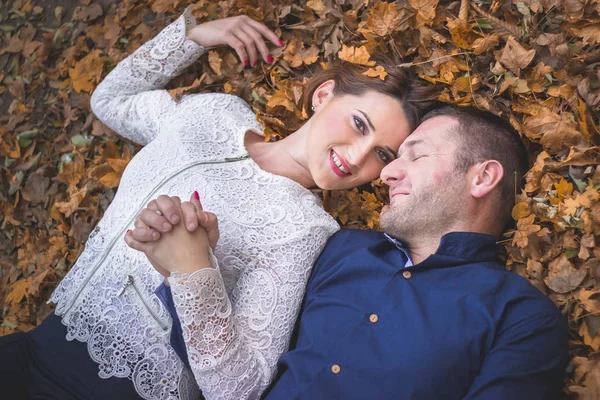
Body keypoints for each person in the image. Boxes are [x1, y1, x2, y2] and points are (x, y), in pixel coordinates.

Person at [0, 6, 440, 400]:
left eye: (382, 154)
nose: (359, 157)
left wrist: (193, 272)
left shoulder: (304, 230)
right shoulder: (216, 113)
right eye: (359, 124)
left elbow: (239, 388)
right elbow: (109, 101)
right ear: (323, 95)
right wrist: (193, 37)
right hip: (35, 344)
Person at [257, 106, 568, 399]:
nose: (387, 173)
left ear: (482, 178)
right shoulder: (342, 248)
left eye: (417, 156)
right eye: (392, 158)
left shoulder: (519, 316)